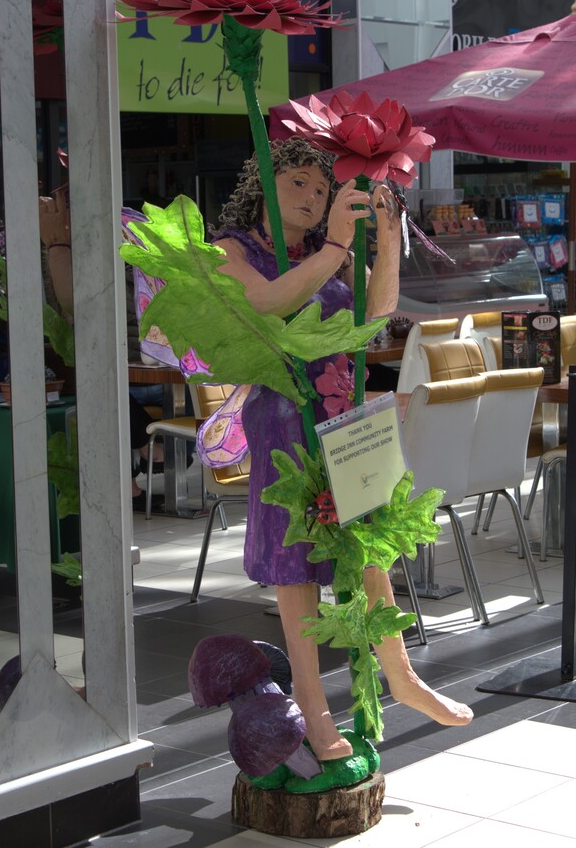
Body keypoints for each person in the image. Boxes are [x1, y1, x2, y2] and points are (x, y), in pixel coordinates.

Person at [212, 138, 473, 762]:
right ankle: (312, 700)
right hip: (284, 416)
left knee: (369, 544)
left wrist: (382, 244)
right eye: (298, 182)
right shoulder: (232, 249)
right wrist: (335, 247)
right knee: (296, 562)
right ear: (263, 183)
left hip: (343, 414)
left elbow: (375, 315)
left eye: (322, 188)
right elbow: (267, 303)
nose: (312, 197)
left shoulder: (323, 252)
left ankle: (402, 677)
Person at [38, 187, 164, 509]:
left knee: (104, 378)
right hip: (84, 355)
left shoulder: (122, 251)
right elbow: (72, 311)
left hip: (132, 354)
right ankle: (143, 454)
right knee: (98, 378)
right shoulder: (60, 253)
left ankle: (142, 460)